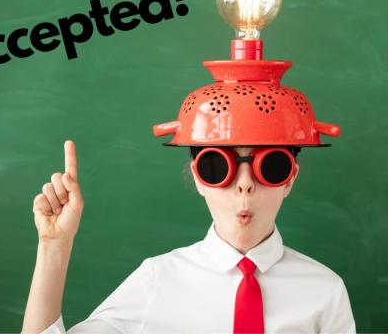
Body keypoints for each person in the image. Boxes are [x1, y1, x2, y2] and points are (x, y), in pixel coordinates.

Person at [21, 140, 356, 334]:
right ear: (198, 178)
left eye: (269, 166)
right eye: (217, 165)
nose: (244, 184)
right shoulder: (158, 280)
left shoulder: (324, 291)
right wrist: (55, 245)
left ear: (289, 179)